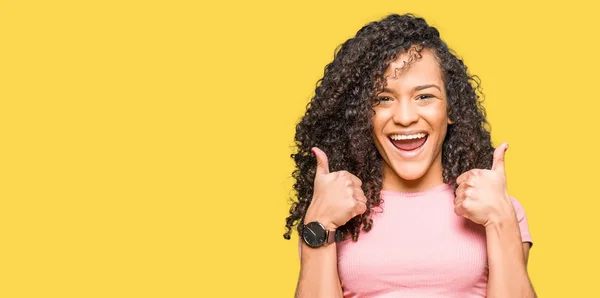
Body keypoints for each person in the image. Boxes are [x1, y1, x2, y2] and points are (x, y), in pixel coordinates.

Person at [283, 13, 536, 298]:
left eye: (424, 97)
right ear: (361, 115)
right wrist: (320, 223)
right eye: (383, 99)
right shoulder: (333, 210)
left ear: (450, 110)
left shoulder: (497, 207)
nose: (405, 118)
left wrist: (500, 218)